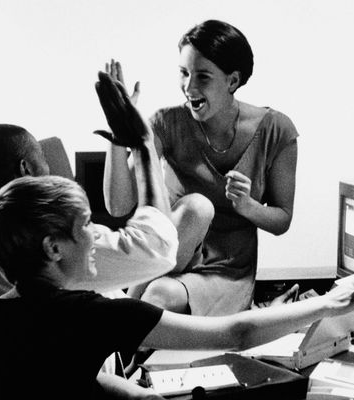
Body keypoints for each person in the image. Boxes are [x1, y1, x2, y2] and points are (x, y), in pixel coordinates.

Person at [0, 74, 354, 400]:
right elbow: (237, 332)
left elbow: (57, 368)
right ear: (52, 248)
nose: (95, 239)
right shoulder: (95, 314)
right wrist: (332, 302)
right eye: (85, 230)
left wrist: (131, 394)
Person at [102, 19, 299, 315]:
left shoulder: (277, 129)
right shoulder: (165, 123)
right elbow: (118, 206)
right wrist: (119, 133)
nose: (189, 87)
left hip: (226, 272)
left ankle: (120, 332)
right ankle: (122, 336)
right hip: (167, 256)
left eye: (203, 77)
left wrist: (247, 206)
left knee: (159, 295)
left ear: (232, 81)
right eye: (183, 73)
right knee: (196, 208)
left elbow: (282, 219)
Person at [0, 124, 177, 298]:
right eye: (42, 156)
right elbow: (156, 248)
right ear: (25, 168)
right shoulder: (54, 245)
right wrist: (142, 145)